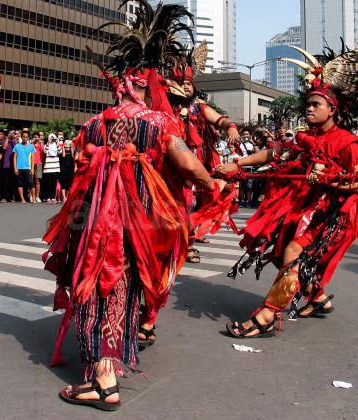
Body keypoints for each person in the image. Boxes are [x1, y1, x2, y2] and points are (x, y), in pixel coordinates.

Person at [44, 4, 227, 408]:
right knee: (122, 289)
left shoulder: (95, 124)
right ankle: (106, 373)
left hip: (92, 223)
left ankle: (103, 379)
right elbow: (187, 164)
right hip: (139, 225)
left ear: (122, 83)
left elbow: (79, 167)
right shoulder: (160, 124)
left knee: (96, 287)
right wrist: (212, 185)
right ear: (147, 85)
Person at [217, 44, 358, 336]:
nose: (309, 109)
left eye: (316, 105)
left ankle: (267, 316)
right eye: (308, 104)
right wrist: (238, 163)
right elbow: (274, 153)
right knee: (284, 252)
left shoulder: (347, 143)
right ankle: (318, 298)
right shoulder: (305, 138)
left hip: (336, 215)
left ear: (332, 110)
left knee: (293, 252)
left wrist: (329, 181)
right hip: (308, 208)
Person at [12, 131, 35, 203]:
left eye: (26, 137)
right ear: (21, 137)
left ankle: (33, 198)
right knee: (20, 183)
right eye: (24, 137)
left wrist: (32, 168)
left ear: (28, 138)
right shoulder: (17, 146)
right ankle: (22, 199)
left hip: (28, 168)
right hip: (19, 168)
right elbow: (14, 158)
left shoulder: (31, 146)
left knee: (31, 183)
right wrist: (15, 168)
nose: (25, 138)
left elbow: (32, 158)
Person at [42, 133, 60, 204]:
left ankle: (53, 197)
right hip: (48, 167)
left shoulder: (56, 145)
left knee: (54, 183)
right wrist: (48, 143)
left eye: (53, 138)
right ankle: (47, 197)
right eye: (51, 138)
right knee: (48, 183)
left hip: (55, 166)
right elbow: (45, 151)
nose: (52, 139)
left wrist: (57, 144)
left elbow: (59, 152)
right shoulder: (46, 145)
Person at [57, 134, 74, 204]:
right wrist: (63, 147)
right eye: (66, 146)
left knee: (68, 183)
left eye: (68, 146)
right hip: (63, 169)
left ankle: (66, 196)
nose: (67, 147)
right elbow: (63, 156)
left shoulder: (71, 152)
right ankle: (63, 197)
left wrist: (72, 147)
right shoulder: (62, 151)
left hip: (70, 169)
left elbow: (73, 156)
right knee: (63, 183)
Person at [30, 131, 43, 202]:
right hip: (30, 163)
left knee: (37, 180)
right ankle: (31, 196)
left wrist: (40, 143)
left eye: (37, 137)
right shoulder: (30, 143)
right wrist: (31, 142)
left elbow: (43, 151)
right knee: (30, 180)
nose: (35, 139)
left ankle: (37, 196)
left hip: (38, 163)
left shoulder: (41, 143)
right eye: (34, 137)